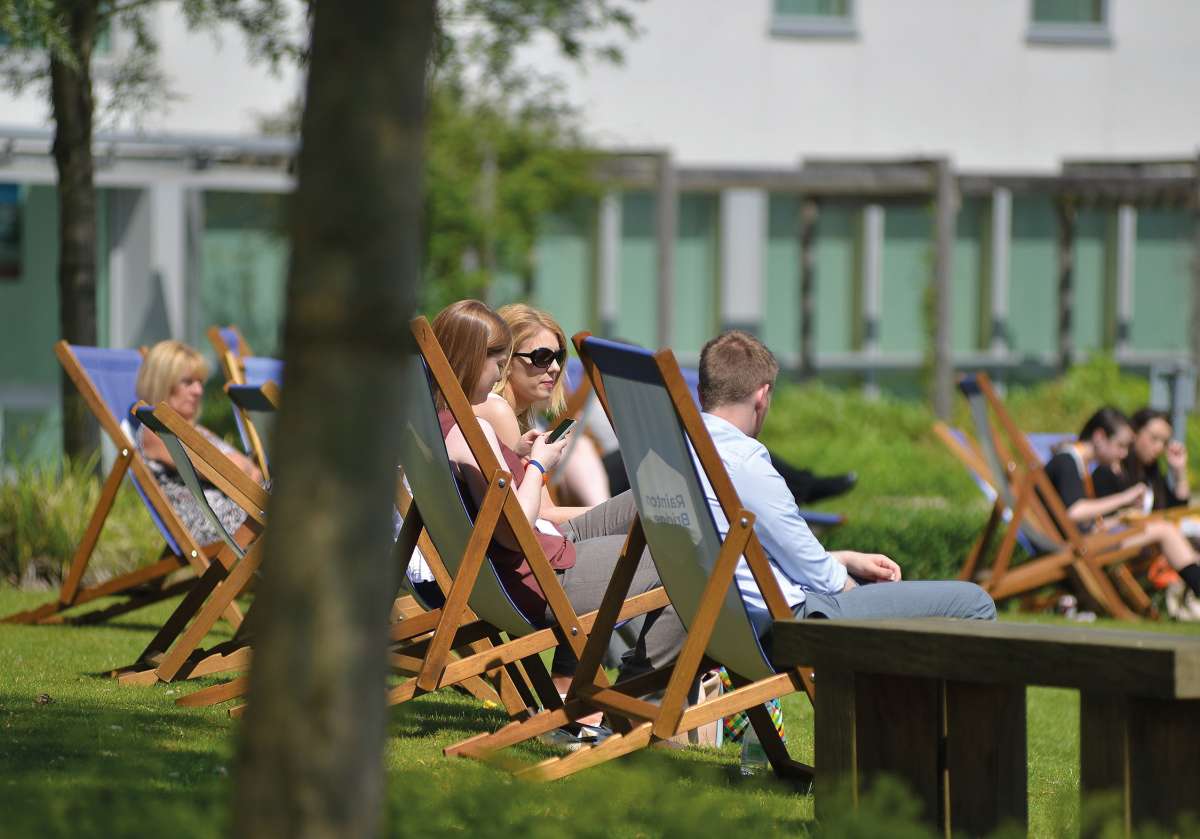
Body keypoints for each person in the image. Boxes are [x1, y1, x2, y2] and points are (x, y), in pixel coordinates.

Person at [431, 300, 685, 707]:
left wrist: (516, 456)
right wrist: (535, 464)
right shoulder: (471, 429)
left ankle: (617, 693)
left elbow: (509, 517)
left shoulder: (439, 426)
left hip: (519, 570)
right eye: (497, 360)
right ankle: (629, 701)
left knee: (659, 509)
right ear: (470, 359)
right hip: (536, 577)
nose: (498, 372)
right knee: (688, 552)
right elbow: (515, 531)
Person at [694, 331, 996, 638]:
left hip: (734, 629)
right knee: (975, 603)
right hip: (790, 625)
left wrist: (847, 559)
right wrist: (862, 595)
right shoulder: (745, 464)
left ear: (702, 394)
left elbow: (771, 557)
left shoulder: (680, 452)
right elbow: (823, 578)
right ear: (762, 397)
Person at [1043, 406, 1200, 618]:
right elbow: (1073, 511)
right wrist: (1125, 498)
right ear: (1099, 437)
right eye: (1120, 445)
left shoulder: (1076, 464)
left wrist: (1117, 517)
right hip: (1075, 547)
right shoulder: (1067, 461)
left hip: (1083, 540)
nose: (1123, 453)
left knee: (1168, 530)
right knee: (1164, 531)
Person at [477, 303, 611, 509]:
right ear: (506, 360)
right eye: (542, 357)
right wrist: (606, 515)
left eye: (558, 357)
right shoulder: (498, 411)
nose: (556, 368)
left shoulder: (516, 417)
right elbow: (542, 514)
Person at [135, 340, 262, 546]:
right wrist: (240, 468)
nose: (198, 391)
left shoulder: (197, 431)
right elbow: (227, 471)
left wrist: (240, 468)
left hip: (240, 511)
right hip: (213, 522)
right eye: (188, 382)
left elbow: (252, 474)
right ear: (161, 383)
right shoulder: (155, 431)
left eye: (200, 382)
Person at [1093, 408, 1190, 512]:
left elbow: (1177, 511)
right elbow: (1102, 521)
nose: (1159, 448)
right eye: (1154, 438)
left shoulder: (1151, 473)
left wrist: (1179, 472)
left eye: (1164, 442)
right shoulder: (1110, 470)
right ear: (1134, 433)